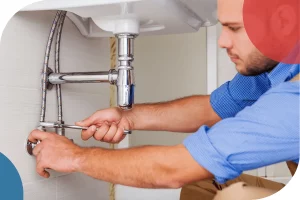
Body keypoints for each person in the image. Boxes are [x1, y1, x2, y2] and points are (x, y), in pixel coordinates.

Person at [28, 0, 299, 199]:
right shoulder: (279, 65)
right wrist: (129, 117)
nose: (222, 41)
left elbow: (174, 169)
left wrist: (74, 157)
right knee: (202, 186)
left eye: (234, 28)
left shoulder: (294, 100)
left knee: (233, 196)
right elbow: (210, 109)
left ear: (284, 22)